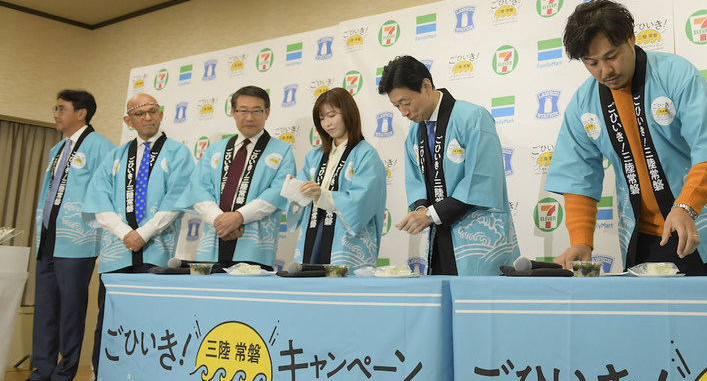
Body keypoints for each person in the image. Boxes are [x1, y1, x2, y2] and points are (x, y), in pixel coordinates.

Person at [546, 0, 707, 275]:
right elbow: (577, 176)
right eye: (591, 63)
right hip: (643, 237)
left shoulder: (675, 74)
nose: (604, 71)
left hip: (702, 226)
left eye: (611, 56)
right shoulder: (584, 102)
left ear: (631, 38)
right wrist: (581, 240)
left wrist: (687, 205)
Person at [68, 94, 194, 381]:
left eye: (153, 112)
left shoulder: (178, 154)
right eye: (141, 114)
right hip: (117, 252)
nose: (148, 118)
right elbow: (98, 201)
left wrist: (144, 234)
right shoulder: (115, 156)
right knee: (108, 323)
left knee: (153, 326)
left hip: (156, 252)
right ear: (129, 121)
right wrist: (126, 234)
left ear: (162, 115)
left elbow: (176, 201)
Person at [0, 90, 113, 381]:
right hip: (48, 237)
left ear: (81, 113)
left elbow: (106, 191)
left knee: (71, 312)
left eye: (61, 108)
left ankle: (63, 379)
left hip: (78, 241)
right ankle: (40, 374)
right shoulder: (57, 148)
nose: (55, 114)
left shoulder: (100, 146)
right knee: (45, 310)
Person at [377, 56, 519, 275]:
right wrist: (422, 210)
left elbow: (481, 179)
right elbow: (414, 181)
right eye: (396, 106)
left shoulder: (472, 117)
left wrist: (430, 215)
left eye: (406, 103)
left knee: (479, 305)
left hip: (478, 238)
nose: (403, 112)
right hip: (439, 236)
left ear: (426, 86)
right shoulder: (415, 133)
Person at [183, 85, 295, 269]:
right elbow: (199, 189)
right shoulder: (215, 150)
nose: (249, 117)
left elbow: (277, 193)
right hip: (214, 238)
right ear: (233, 112)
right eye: (243, 111)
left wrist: (239, 217)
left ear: (267, 113)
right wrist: (220, 221)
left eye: (257, 111)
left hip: (253, 244)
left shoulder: (283, 151)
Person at [289, 88, 386, 267]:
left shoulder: (366, 155)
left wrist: (322, 195)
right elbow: (301, 198)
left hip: (344, 240)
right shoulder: (314, 156)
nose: (327, 123)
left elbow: (362, 201)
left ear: (348, 113)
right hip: (314, 231)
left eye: (332, 115)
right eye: (322, 118)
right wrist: (295, 188)